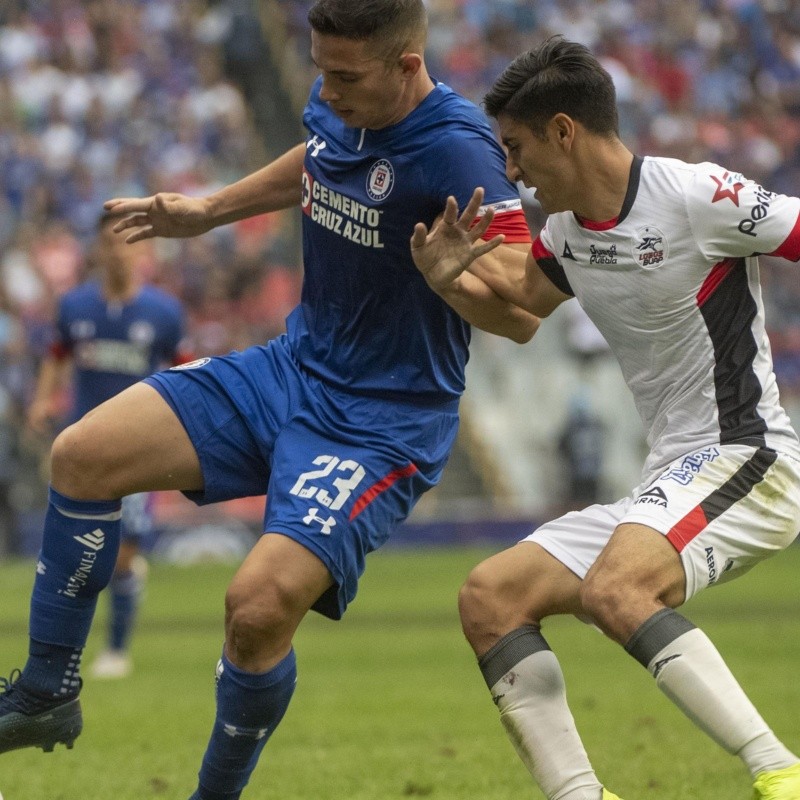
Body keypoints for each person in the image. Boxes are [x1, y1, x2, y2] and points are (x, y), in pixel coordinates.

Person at [0, 2, 538, 799]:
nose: (326, 87)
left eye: (346, 76)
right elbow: (317, 157)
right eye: (320, 67)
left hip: (382, 423)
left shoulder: (462, 154)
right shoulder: (336, 97)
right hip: (291, 369)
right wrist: (209, 209)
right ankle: (46, 693)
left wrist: (452, 279)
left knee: (254, 610)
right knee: (82, 455)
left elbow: (524, 313)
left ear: (407, 65)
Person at [410, 35, 800, 800]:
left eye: (517, 149)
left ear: (564, 131)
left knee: (617, 590)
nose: (511, 171)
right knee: (491, 597)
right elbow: (522, 311)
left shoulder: (696, 196)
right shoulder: (563, 233)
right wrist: (447, 280)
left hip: (746, 458)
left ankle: (778, 771)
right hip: (671, 474)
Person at [26, 214, 188, 679]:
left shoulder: (163, 313)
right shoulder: (75, 306)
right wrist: (42, 400)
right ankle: (59, 658)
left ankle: (116, 649)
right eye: (110, 242)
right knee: (74, 556)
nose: (118, 251)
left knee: (121, 557)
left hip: (141, 450)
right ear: (98, 249)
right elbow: (57, 356)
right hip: (85, 448)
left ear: (140, 251)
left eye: (127, 242)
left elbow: (185, 371)